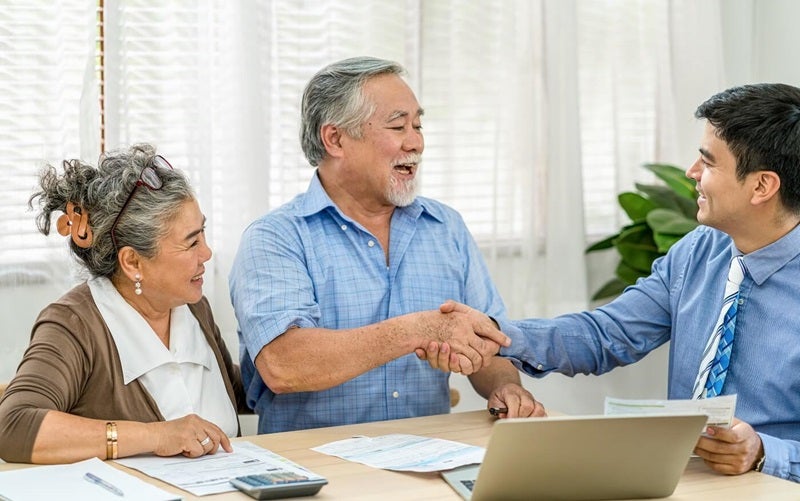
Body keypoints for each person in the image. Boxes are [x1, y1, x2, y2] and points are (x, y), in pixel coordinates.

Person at [431, 83, 800, 482]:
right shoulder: (700, 250)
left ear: (762, 186)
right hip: (680, 479)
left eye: (708, 164)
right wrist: (497, 334)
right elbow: (607, 334)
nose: (692, 173)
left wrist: (763, 452)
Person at [228, 56, 544, 434]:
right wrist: (419, 329)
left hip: (430, 460)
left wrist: (505, 387)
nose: (416, 142)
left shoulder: (446, 227)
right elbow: (285, 366)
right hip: (317, 469)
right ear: (335, 139)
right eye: (398, 126)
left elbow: (489, 342)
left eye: (418, 125)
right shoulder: (275, 238)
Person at [0, 144, 247, 464]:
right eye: (191, 242)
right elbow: (14, 426)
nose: (207, 254)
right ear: (132, 262)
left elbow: (233, 387)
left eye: (203, 234)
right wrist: (157, 435)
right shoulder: (74, 324)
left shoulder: (192, 305)